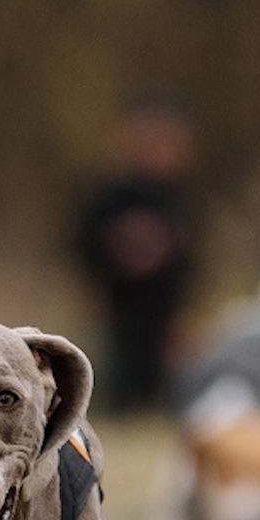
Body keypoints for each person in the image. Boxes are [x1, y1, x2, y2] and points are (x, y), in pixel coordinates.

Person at [73, 91, 200, 415]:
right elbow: (86, 245)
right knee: (120, 373)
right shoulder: (110, 196)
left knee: (168, 378)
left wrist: (186, 307)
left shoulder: (178, 199)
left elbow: (189, 259)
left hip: (163, 308)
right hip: (121, 306)